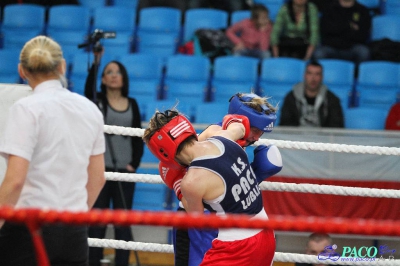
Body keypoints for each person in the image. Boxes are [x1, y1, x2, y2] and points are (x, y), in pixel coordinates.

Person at [0, 35, 106, 266]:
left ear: (22, 70)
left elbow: (16, 181)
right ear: (62, 66)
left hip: (28, 227)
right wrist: (73, 218)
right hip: (73, 230)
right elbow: (97, 178)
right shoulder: (89, 109)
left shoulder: (25, 109)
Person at [158, 93, 282, 265]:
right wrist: (178, 185)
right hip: (197, 218)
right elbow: (177, 166)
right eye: (255, 130)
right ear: (242, 121)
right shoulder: (216, 135)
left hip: (228, 223)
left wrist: (255, 175)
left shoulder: (238, 140)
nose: (257, 138)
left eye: (261, 133)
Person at [84, 50, 144, 266]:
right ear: (102, 79)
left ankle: (122, 263)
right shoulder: (97, 100)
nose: (113, 75)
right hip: (99, 171)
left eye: (118, 72)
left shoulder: (133, 103)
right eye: (108, 72)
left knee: (122, 223)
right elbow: (88, 89)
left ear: (124, 78)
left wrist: (133, 165)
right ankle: (92, 262)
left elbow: (138, 138)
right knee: (96, 222)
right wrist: (96, 63)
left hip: (124, 173)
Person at [279, 60, 344, 127]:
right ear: (304, 75)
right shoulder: (291, 97)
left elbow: (337, 127)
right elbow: (285, 124)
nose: (313, 78)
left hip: (322, 137)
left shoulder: (332, 100)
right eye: (310, 73)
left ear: (322, 77)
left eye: (317, 74)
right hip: (297, 137)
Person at [312, 0, 371, 69]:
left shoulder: (363, 11)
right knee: (319, 53)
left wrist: (337, 27)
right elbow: (326, 31)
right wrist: (349, 27)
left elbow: (362, 36)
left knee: (363, 52)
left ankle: (355, 77)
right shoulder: (329, 9)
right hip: (331, 47)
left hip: (352, 47)